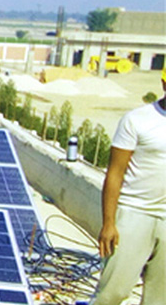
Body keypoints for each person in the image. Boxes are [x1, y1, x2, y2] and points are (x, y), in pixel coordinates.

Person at [94, 69, 166, 304]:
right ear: (164, 83)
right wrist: (109, 223)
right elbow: (115, 173)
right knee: (112, 293)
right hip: (134, 213)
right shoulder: (137, 120)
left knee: (159, 299)